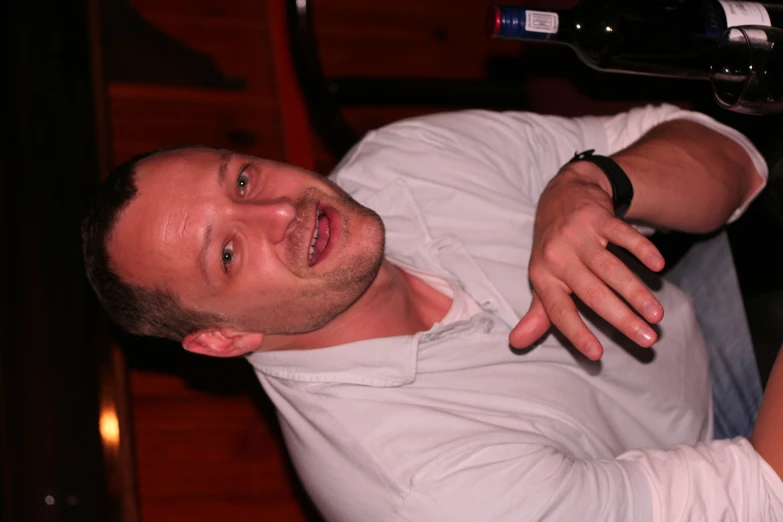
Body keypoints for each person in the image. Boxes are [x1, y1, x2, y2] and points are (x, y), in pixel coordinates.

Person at [82, 103, 783, 521]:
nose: (279, 210)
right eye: (228, 254)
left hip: (696, 337)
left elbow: (730, 154)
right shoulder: (417, 488)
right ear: (223, 336)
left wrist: (598, 181)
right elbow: (757, 494)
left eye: (241, 177)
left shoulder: (403, 160)